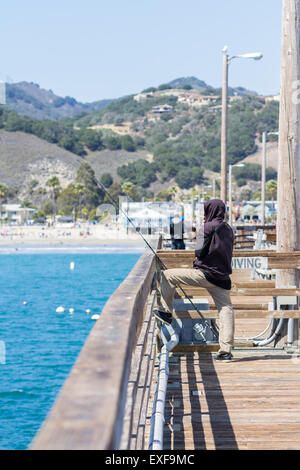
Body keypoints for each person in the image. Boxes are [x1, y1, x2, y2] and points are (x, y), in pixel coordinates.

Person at [154, 199, 235, 362]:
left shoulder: (206, 228)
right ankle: (225, 350)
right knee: (226, 309)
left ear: (209, 211)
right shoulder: (229, 229)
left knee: (168, 275)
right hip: (222, 278)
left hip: (204, 274)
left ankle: (166, 312)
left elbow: (198, 252)